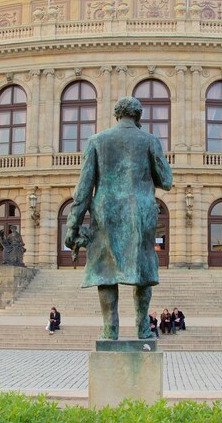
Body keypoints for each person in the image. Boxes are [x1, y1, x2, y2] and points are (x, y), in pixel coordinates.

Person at [65, 97, 174, 341]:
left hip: (106, 213)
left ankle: (109, 329)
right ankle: (143, 327)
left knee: (106, 270)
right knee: (143, 269)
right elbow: (166, 180)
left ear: (116, 115)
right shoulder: (149, 141)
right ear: (138, 117)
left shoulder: (97, 141)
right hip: (141, 212)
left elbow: (83, 189)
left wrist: (72, 225)